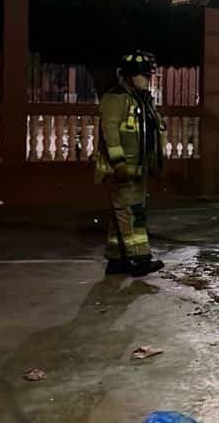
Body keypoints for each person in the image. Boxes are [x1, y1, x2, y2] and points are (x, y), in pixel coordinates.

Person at [96, 50, 166, 277]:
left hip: (139, 168)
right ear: (129, 76)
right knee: (131, 212)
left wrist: (155, 162)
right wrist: (119, 164)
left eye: (148, 75)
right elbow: (110, 134)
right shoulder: (115, 99)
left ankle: (116, 259)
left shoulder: (142, 100)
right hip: (123, 169)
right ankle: (139, 259)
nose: (147, 79)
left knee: (125, 211)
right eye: (143, 75)